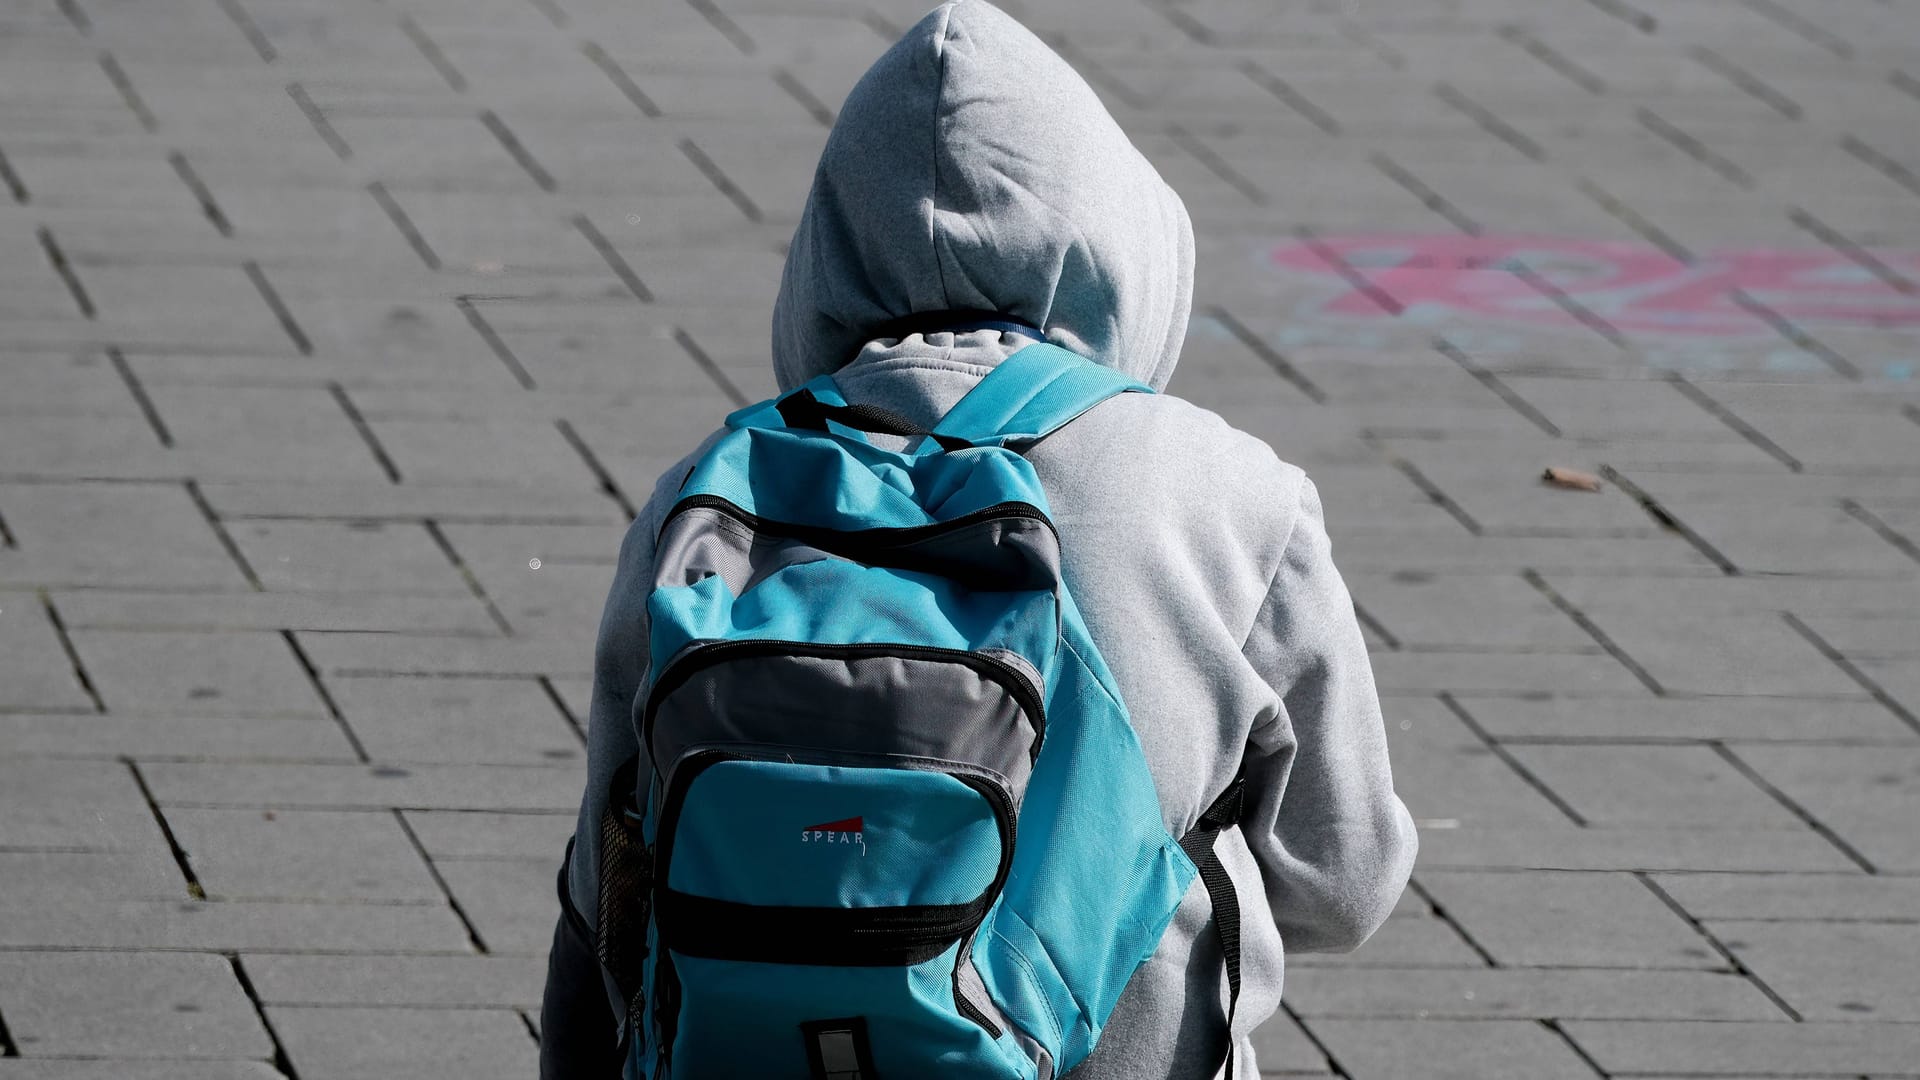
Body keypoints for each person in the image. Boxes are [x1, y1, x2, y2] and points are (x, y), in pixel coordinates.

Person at [539, 1, 1417, 1075]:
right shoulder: (1231, 489)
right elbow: (1341, 882)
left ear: (830, 251)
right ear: (1119, 241)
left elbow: (605, 894)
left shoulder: (707, 493)